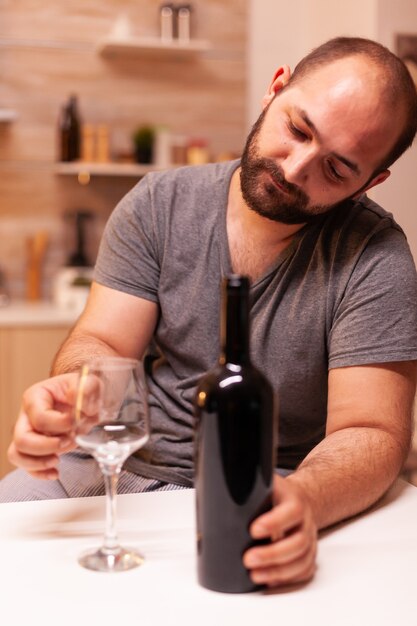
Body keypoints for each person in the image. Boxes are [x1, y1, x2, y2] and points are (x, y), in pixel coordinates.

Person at [1, 36, 417, 589]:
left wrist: (306, 500)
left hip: (266, 490)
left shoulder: (376, 256)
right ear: (275, 89)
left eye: (337, 169)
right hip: (120, 470)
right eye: (297, 129)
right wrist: (75, 394)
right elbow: (101, 341)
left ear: (372, 181)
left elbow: (370, 429)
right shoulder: (158, 203)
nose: (295, 170)